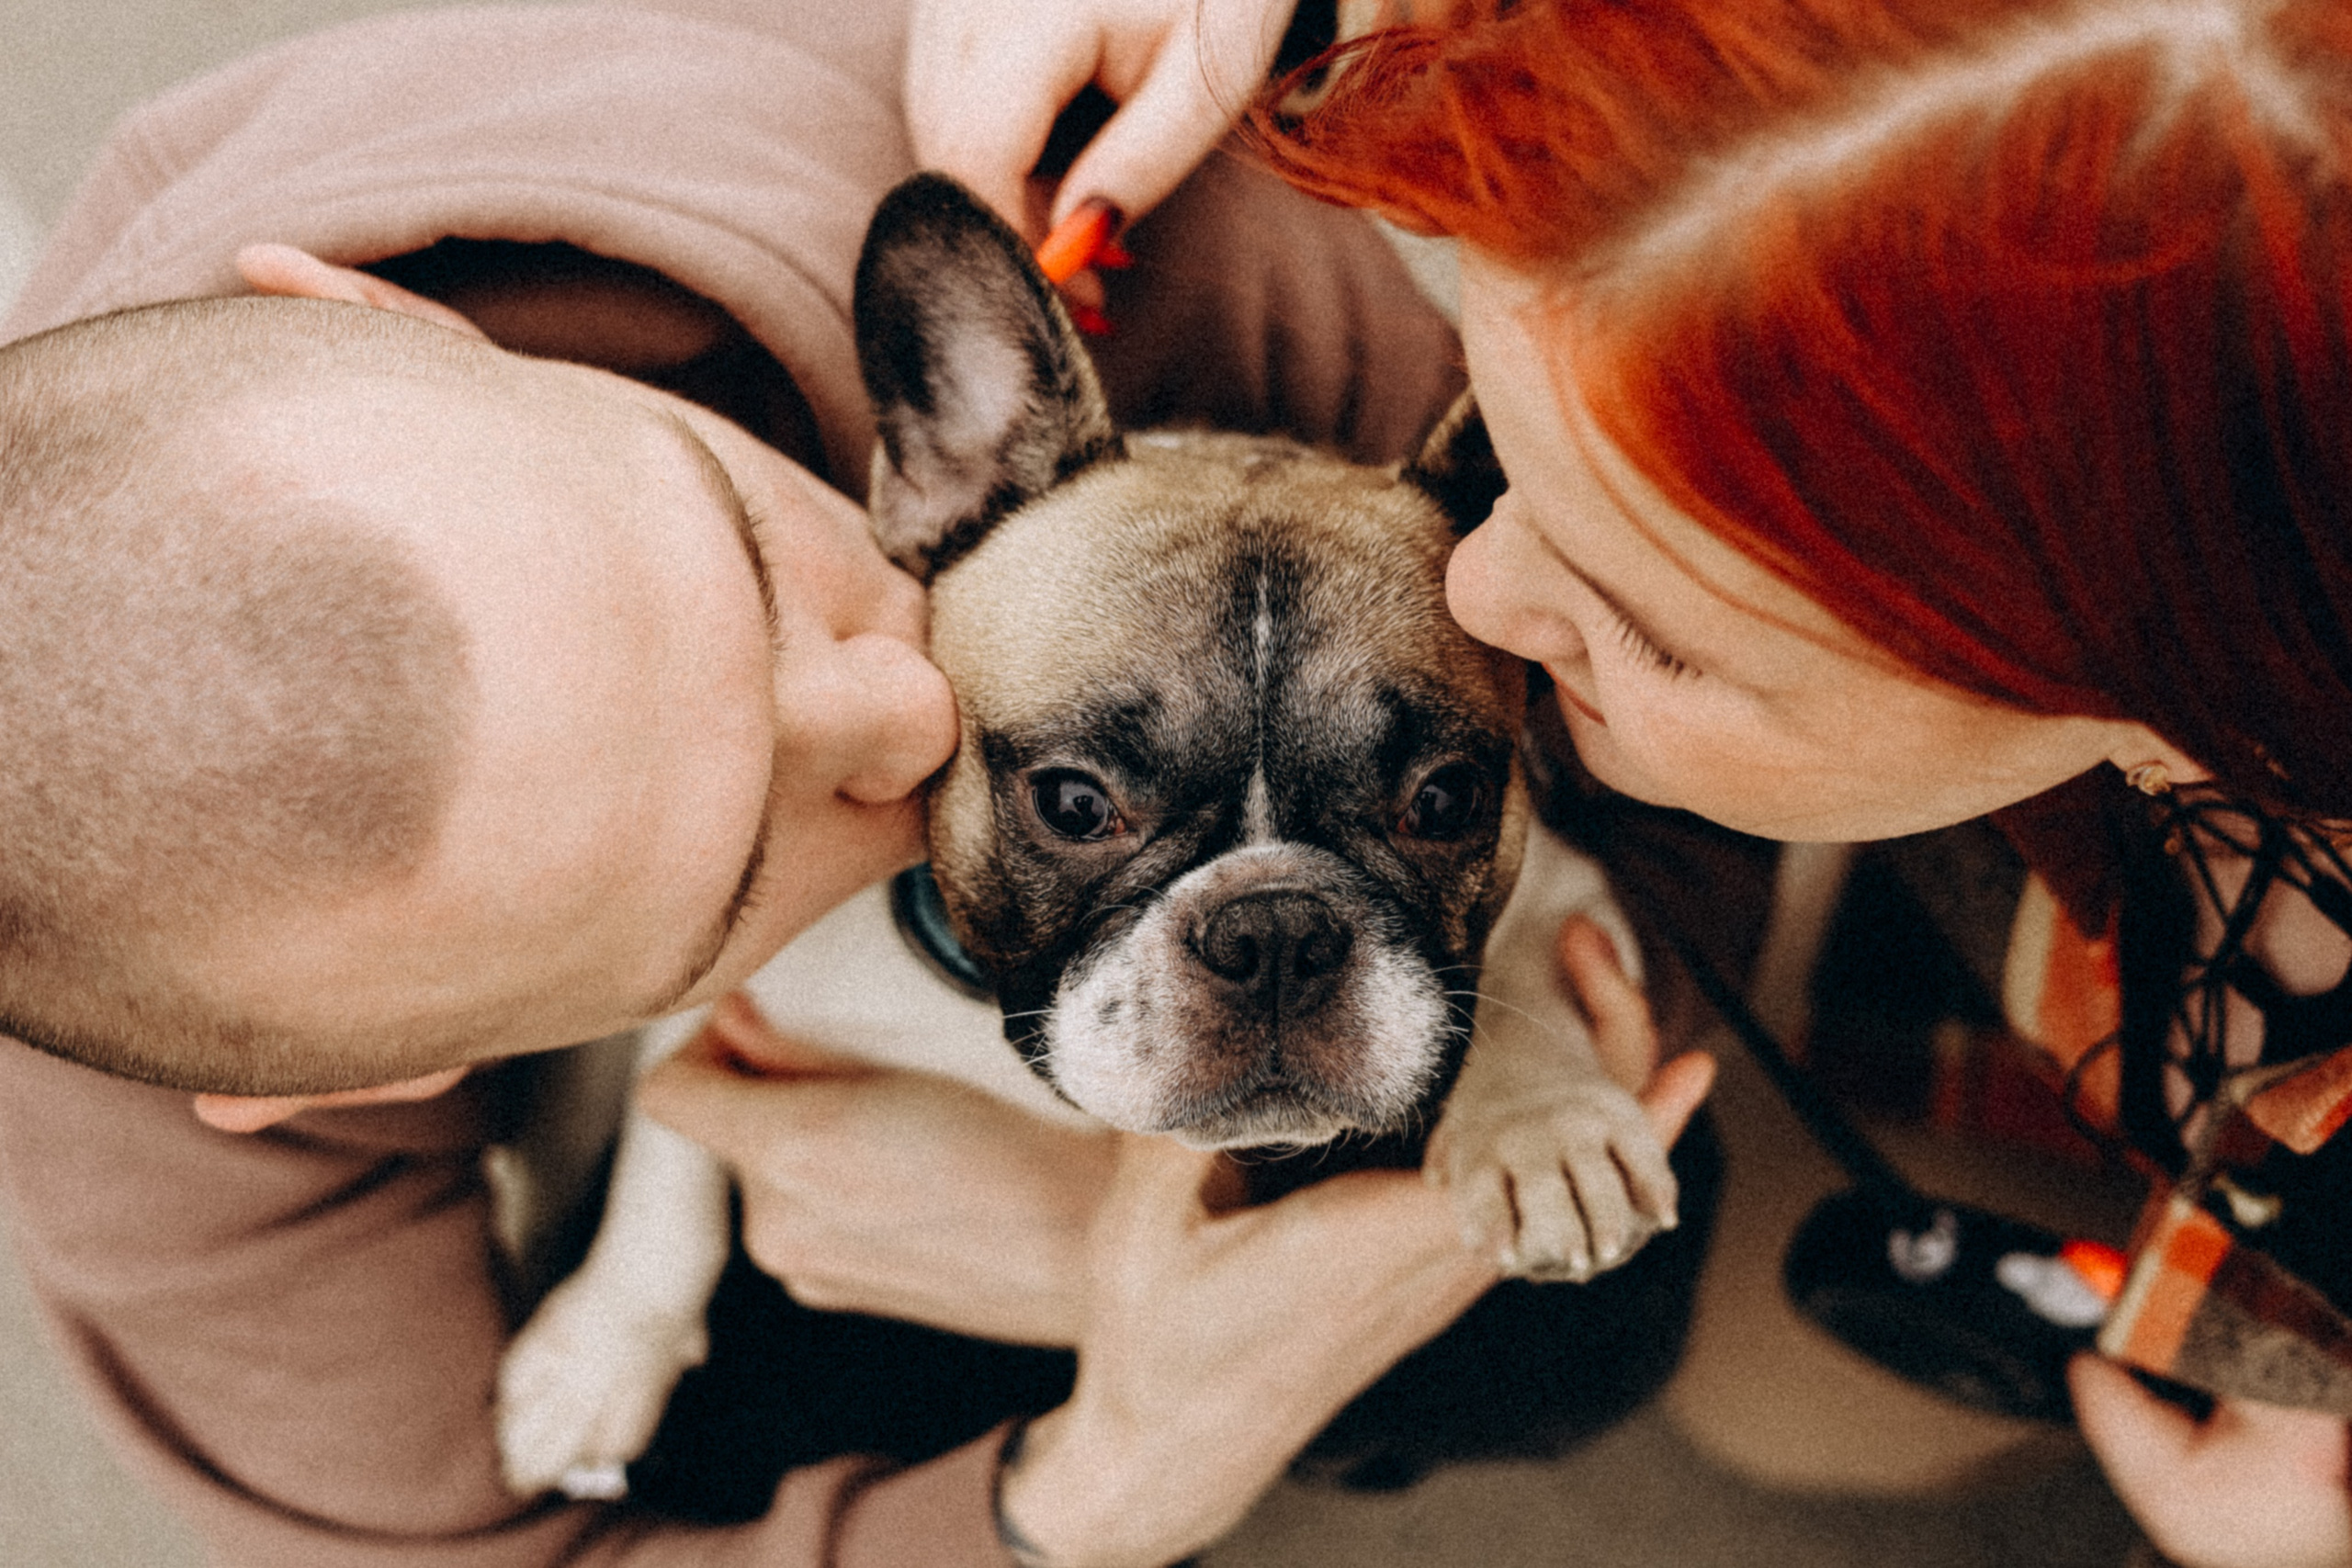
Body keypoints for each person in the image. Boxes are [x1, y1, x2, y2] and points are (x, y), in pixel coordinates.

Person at [0, 4, 1722, 1566]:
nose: (910, 713)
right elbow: (461, 1550)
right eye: (737, 859)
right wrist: (1100, 1481)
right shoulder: (166, 1160)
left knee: (1610, 1338)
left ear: (389, 321)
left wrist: (1104, 1254)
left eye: (758, 568)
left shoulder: (1238, 283)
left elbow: (1719, 720)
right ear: (379, 1062)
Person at [904, 0, 2352, 1565]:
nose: (1479, 598)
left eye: (1647, 622)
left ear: (2130, 684)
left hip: (2222, 1197)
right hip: (1986, 1025)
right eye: (1518, 473)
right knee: (1765, 1384)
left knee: (1712, 1387)